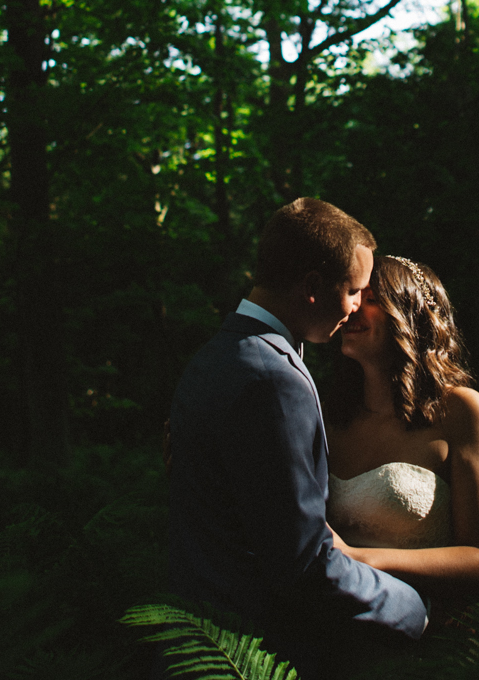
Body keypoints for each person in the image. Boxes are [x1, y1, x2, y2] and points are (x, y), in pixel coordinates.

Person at [166, 198, 428, 675]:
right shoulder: (275, 378)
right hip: (259, 650)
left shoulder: (211, 357)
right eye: (353, 290)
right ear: (311, 286)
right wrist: (410, 609)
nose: (354, 307)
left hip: (202, 640)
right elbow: (303, 563)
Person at [324, 255, 479, 605]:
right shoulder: (328, 415)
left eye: (372, 299)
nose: (352, 307)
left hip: (425, 641)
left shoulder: (461, 411)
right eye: (353, 295)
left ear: (409, 314)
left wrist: (358, 559)